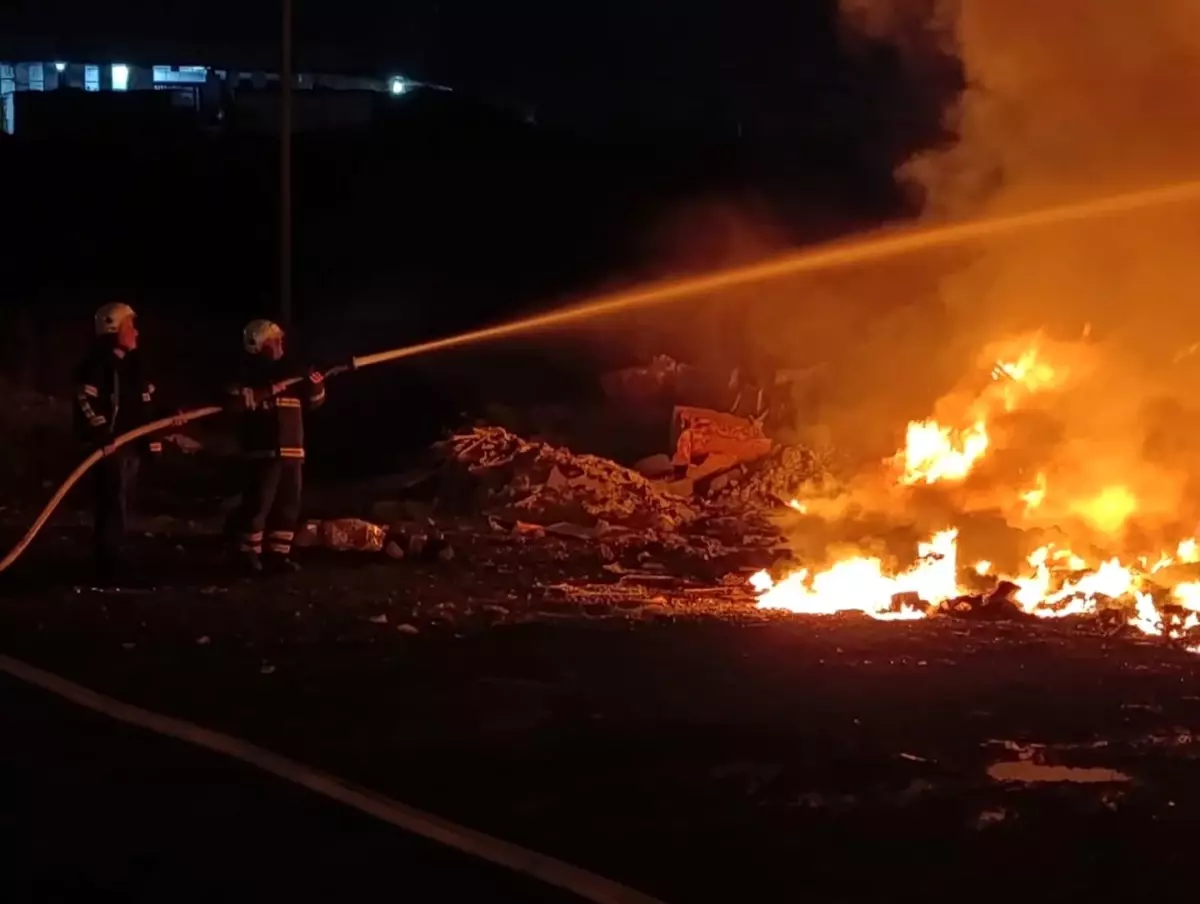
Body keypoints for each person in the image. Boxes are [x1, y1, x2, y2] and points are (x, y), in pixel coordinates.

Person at [72, 302, 164, 581]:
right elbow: (85, 402)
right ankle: (108, 563)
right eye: (130, 326)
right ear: (114, 329)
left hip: (130, 448)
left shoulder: (134, 367)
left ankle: (117, 559)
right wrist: (102, 435)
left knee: (125, 504)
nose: (136, 333)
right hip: (108, 450)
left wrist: (162, 426)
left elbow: (145, 406)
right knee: (111, 504)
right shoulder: (97, 366)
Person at [226, 319, 326, 573]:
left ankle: (278, 555)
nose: (280, 343)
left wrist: (315, 384)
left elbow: (315, 402)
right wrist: (269, 388)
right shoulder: (247, 374)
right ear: (258, 345)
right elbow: (235, 400)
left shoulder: (292, 371)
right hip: (264, 451)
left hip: (293, 451)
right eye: (273, 340)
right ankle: (247, 553)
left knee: (288, 505)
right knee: (258, 505)